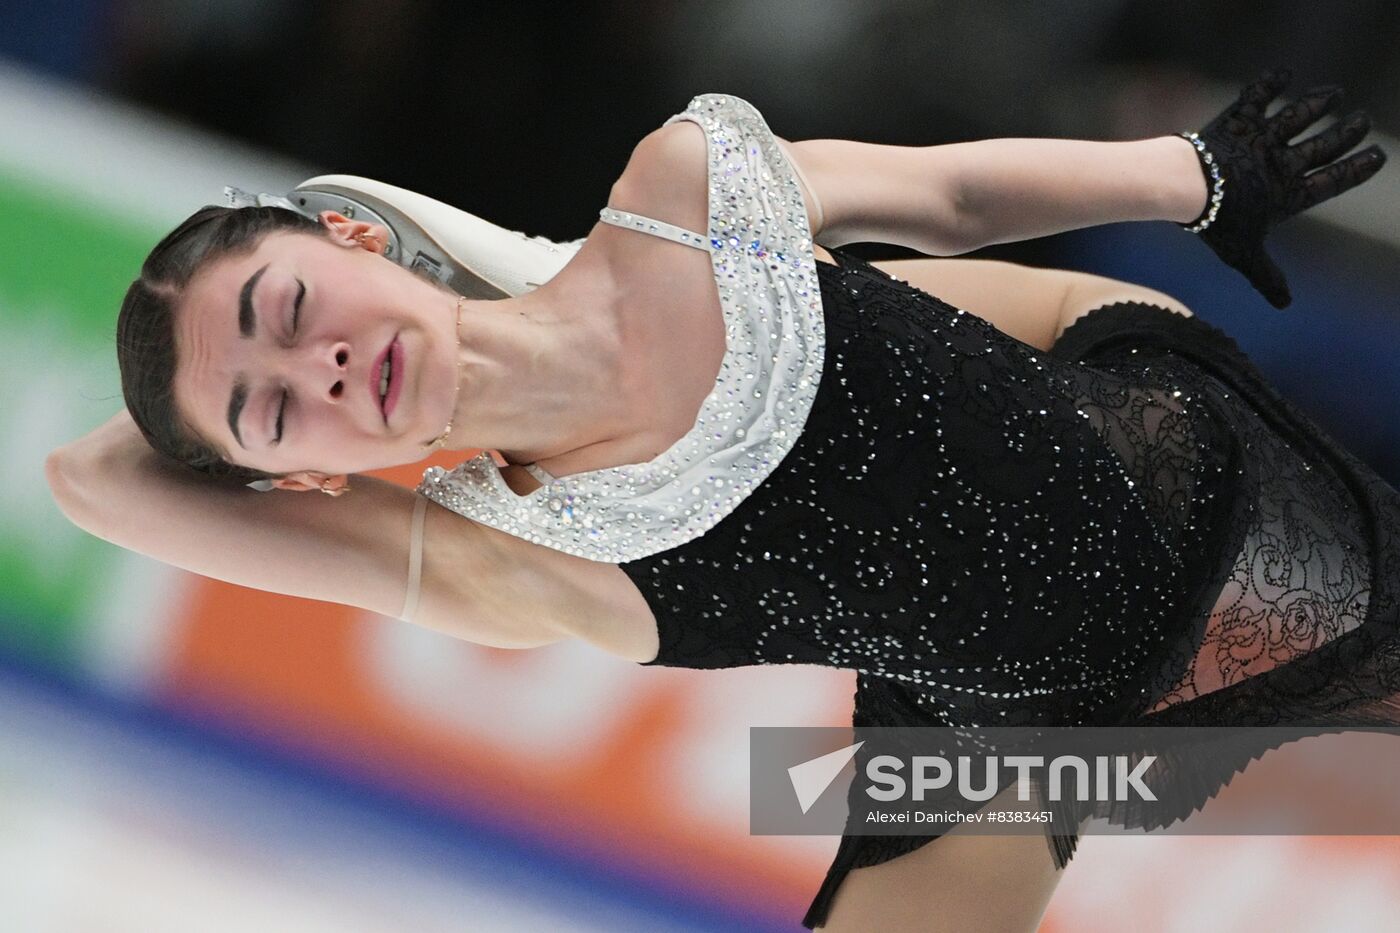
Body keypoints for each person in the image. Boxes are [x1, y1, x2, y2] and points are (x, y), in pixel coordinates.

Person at [46, 69, 1393, 931]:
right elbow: (90, 478)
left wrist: (1194, 176)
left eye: (289, 309)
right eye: (273, 407)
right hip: (1007, 711)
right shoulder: (507, 555)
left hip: (1175, 481)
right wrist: (226, 364)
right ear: (296, 479)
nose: (320, 366)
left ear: (346, 233)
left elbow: (941, 191)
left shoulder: (679, 196)